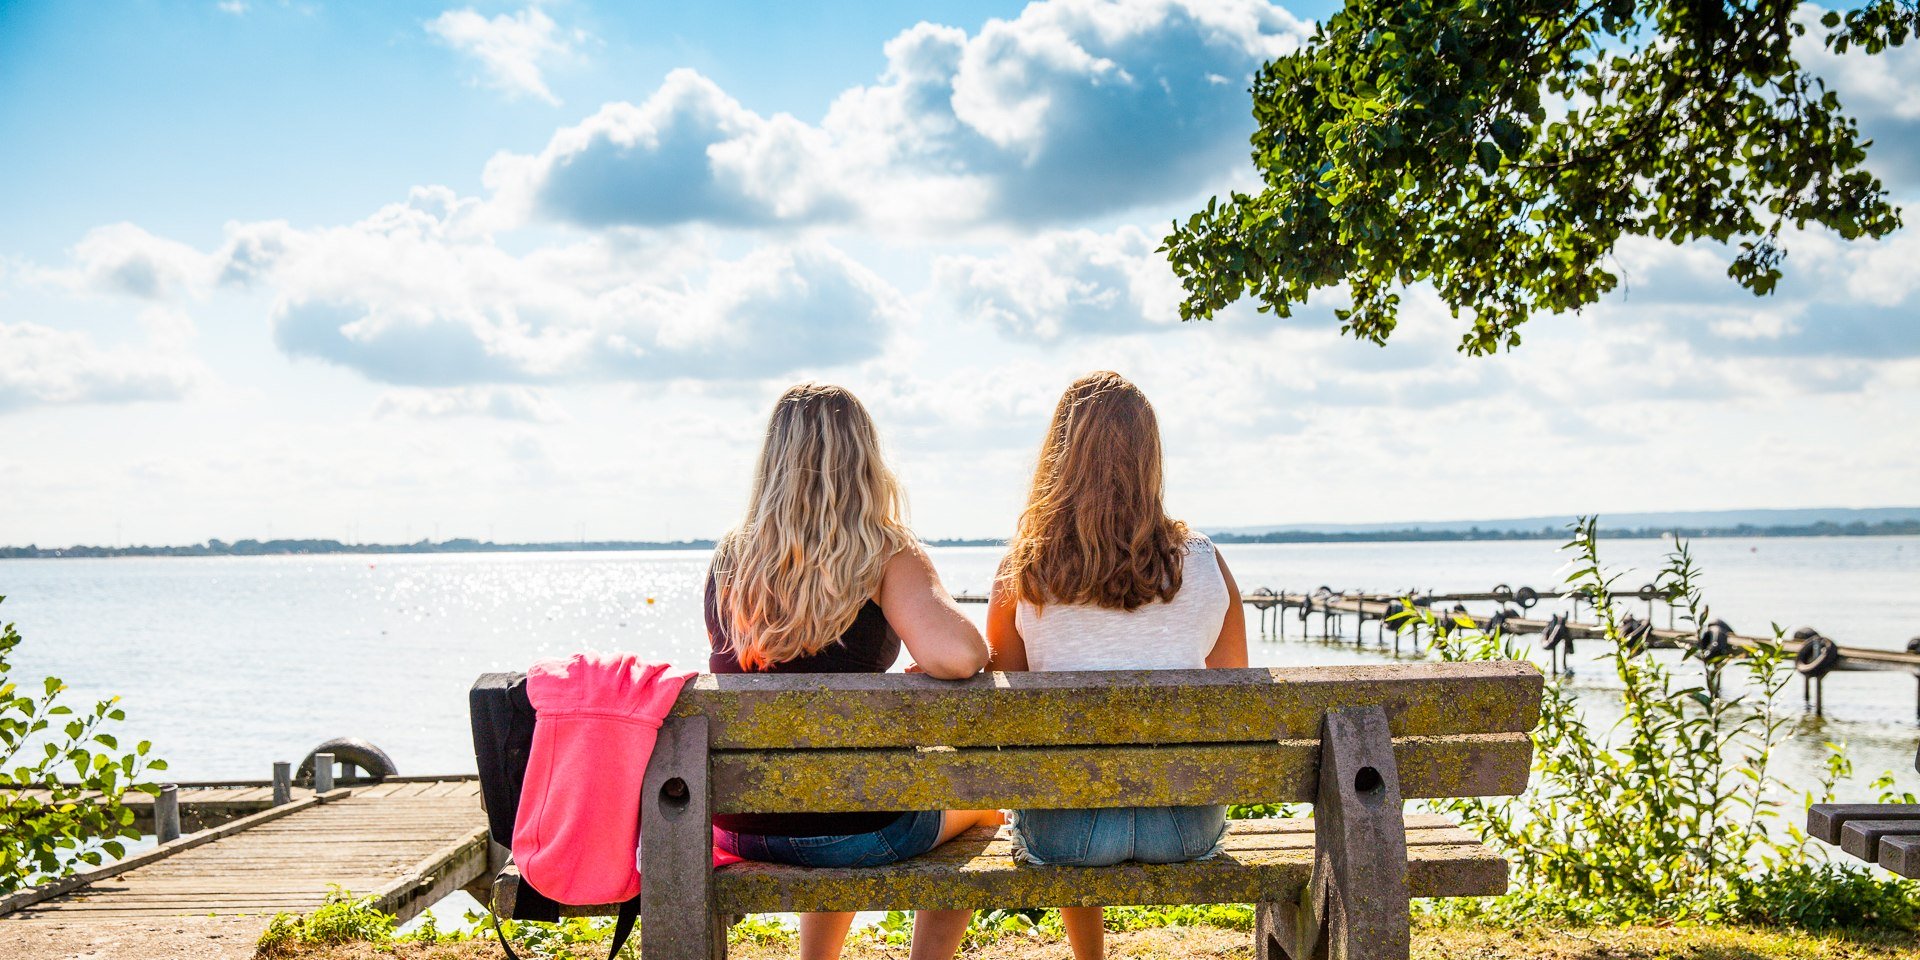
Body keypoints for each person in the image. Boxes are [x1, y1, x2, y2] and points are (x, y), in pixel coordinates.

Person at [917, 371, 1248, 960]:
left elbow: (1004, 711)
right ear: (1150, 459)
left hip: (1066, 834)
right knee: (1088, 775)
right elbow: (1237, 700)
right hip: (1186, 827)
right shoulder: (1205, 563)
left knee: (1072, 776)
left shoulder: (1022, 570)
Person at [705, 382, 999, 960]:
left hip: (742, 826)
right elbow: (963, 655)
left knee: (830, 787)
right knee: (983, 802)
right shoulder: (885, 554)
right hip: (860, 829)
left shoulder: (729, 560)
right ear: (864, 458)